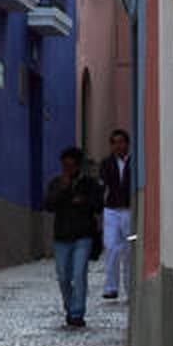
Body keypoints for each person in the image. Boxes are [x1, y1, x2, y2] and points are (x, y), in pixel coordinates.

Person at [43, 147, 104, 329]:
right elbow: (49, 205)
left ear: (78, 165)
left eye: (71, 165)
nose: (67, 169)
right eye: (64, 165)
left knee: (79, 275)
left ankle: (77, 313)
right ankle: (69, 307)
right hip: (61, 236)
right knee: (63, 276)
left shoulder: (89, 184)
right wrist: (63, 189)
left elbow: (99, 206)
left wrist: (84, 201)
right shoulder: (56, 183)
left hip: (82, 236)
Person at [99, 128, 133, 303]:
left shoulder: (134, 162)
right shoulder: (106, 163)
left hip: (130, 211)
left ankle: (130, 288)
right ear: (111, 145)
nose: (118, 145)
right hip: (111, 211)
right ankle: (111, 287)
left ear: (127, 143)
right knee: (111, 246)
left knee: (130, 250)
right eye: (115, 142)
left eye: (121, 142)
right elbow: (102, 185)